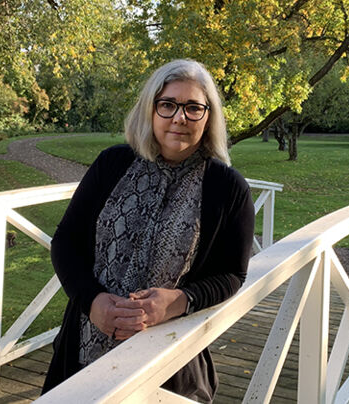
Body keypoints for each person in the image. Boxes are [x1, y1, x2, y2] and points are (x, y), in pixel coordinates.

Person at [41, 59, 255, 402]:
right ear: (151, 110)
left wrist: (178, 302)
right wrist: (92, 301)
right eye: (168, 104)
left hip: (170, 361)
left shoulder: (227, 187)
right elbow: (66, 242)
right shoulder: (112, 164)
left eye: (193, 108)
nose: (179, 118)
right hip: (81, 346)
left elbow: (232, 274)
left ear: (209, 116)